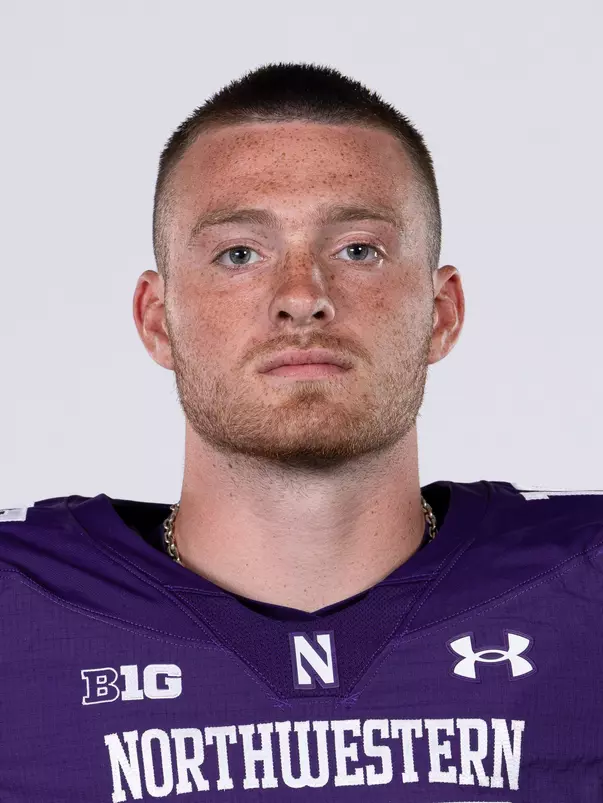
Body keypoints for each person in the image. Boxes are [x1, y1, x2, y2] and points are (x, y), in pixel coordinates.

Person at [1, 62, 602, 803]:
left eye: (357, 249)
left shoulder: (583, 590)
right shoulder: (19, 610)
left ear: (440, 313)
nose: (300, 297)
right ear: (157, 320)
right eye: (239, 253)